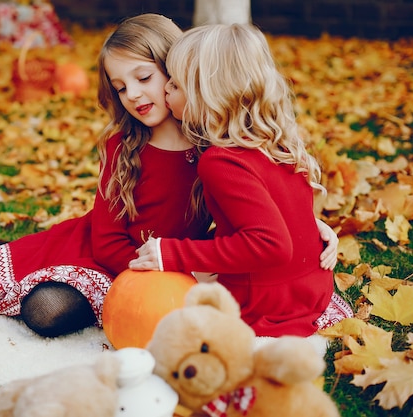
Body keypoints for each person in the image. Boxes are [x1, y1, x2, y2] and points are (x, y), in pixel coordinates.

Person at [0, 15, 339, 339]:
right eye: (120, 86)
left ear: (179, 73)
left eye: (144, 79)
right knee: (34, 308)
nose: (132, 94)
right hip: (107, 256)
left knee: (55, 312)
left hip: (169, 267)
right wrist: (159, 267)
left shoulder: (215, 146)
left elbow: (256, 211)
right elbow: (107, 239)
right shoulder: (123, 149)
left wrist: (311, 223)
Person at [129, 23, 353, 338]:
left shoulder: (220, 162)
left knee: (166, 305)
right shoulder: (272, 140)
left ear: (205, 95)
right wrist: (312, 225)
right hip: (311, 289)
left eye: (175, 85)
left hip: (268, 304)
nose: (166, 90)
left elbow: (269, 245)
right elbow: (281, 210)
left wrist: (171, 253)